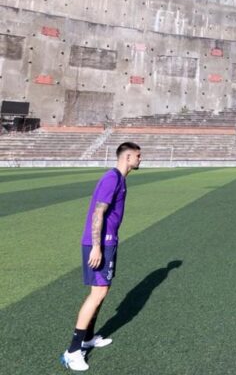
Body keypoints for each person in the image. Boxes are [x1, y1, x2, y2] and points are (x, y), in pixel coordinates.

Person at [60, 142, 142, 371]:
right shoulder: (112, 178)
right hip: (99, 244)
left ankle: (88, 338)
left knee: (102, 292)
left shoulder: (120, 179)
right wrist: (96, 246)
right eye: (137, 155)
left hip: (108, 243)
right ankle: (73, 351)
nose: (140, 159)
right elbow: (98, 212)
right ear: (126, 157)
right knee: (98, 293)